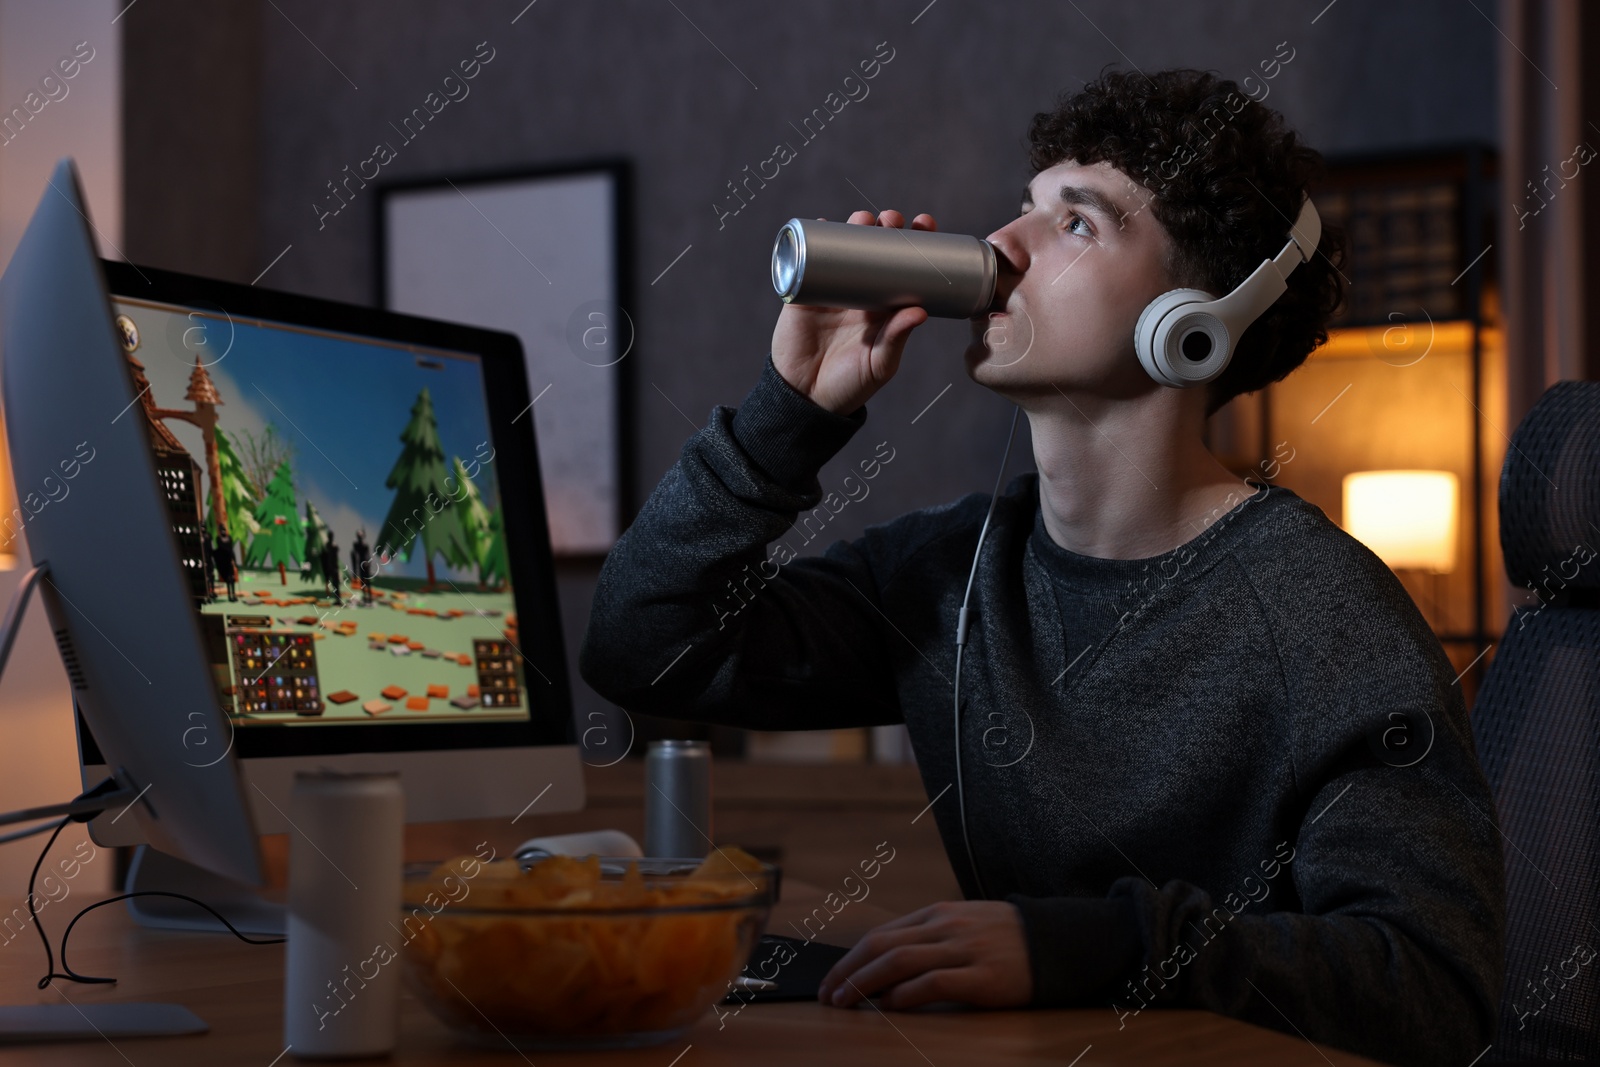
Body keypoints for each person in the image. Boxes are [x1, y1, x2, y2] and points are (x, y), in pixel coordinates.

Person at [579, 69, 1505, 1067]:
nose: (998, 249)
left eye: (1076, 225)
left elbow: (1430, 990)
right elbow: (640, 645)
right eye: (1023, 208)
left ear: (1191, 326)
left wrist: (1090, 945)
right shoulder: (952, 572)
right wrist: (787, 413)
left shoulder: (1323, 616)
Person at [213, 527, 237, 602]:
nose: (223, 532)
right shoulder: (218, 539)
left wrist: (233, 560)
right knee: (228, 579)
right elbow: (220, 549)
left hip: (229, 560)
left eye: (224, 530)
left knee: (232, 579)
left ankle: (233, 594)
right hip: (224, 562)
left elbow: (231, 549)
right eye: (222, 530)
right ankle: (230, 596)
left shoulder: (229, 538)